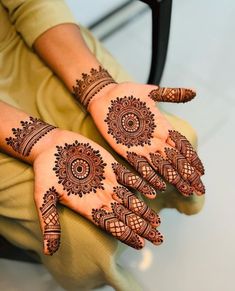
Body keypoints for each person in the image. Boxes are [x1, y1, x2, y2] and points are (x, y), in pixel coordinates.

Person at [0, 0, 205, 290]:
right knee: (84, 243)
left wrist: (98, 88)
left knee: (171, 144)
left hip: (30, 44)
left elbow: (31, 3)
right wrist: (38, 140)